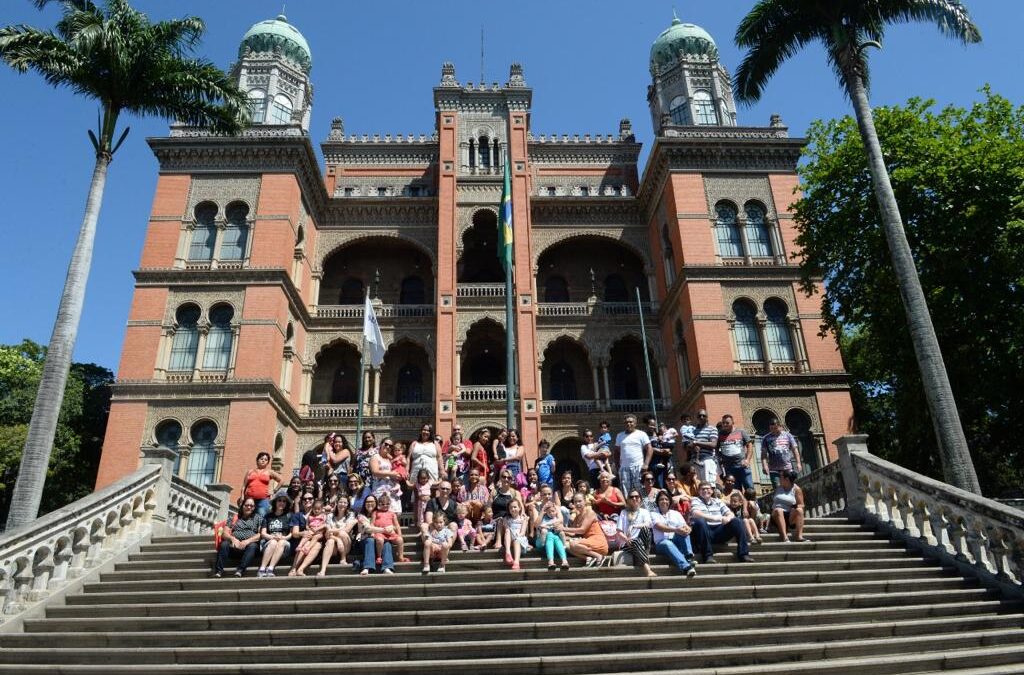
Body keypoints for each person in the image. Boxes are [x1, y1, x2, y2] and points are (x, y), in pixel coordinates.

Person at [689, 481, 754, 564]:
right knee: (700, 521)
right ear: (699, 491)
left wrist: (728, 518)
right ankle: (708, 556)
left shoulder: (718, 501)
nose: (705, 491)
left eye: (708, 489)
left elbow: (730, 513)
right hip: (704, 532)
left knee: (737, 521)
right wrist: (716, 518)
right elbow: (695, 513)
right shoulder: (696, 500)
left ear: (712, 491)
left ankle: (743, 554)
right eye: (703, 489)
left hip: (719, 531)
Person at [213, 498, 262, 578]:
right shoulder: (234, 517)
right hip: (234, 547)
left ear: (254, 507)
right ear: (242, 506)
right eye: (247, 505)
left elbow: (260, 534)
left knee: (253, 546)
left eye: (251, 506)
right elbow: (224, 533)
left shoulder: (258, 518)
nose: (249, 507)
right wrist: (232, 539)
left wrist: (247, 541)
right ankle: (219, 571)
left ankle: (240, 570)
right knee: (224, 544)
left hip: (249, 548)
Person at [652, 490, 696, 577]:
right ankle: (686, 567)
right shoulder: (653, 513)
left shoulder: (676, 514)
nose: (664, 501)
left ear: (670, 501)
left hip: (676, 541)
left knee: (684, 532)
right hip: (661, 543)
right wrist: (676, 530)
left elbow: (684, 526)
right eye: (661, 499)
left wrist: (687, 529)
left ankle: (688, 557)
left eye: (666, 499)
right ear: (657, 502)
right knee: (668, 543)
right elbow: (659, 526)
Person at [618, 490, 657, 577]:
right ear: (628, 500)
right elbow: (619, 531)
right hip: (627, 544)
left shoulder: (644, 512)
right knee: (636, 541)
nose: (634, 498)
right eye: (631, 497)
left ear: (640, 499)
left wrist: (634, 526)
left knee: (646, 529)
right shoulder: (624, 512)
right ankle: (648, 569)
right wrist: (626, 539)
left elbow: (649, 524)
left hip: (642, 542)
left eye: (637, 496)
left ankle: (640, 555)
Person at [563, 493, 608, 566]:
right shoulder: (577, 516)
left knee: (573, 544)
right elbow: (573, 533)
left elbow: (582, 530)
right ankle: (588, 558)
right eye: (575, 502)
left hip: (598, 542)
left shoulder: (590, 512)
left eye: (580, 501)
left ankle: (599, 556)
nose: (577, 504)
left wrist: (564, 528)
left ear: (585, 501)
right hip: (588, 544)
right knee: (566, 546)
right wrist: (561, 532)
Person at [614, 414, 653, 498]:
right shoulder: (619, 435)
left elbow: (649, 448)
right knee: (626, 493)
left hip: (638, 467)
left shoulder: (641, 434)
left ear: (635, 423)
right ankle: (629, 510)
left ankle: (646, 510)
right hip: (624, 469)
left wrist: (646, 464)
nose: (629, 424)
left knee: (642, 491)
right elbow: (616, 451)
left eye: (631, 422)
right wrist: (617, 467)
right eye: (627, 422)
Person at [355, 495, 395, 575]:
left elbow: (392, 525)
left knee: (387, 543)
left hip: (380, 540)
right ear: (364, 504)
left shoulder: (382, 513)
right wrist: (384, 530)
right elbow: (367, 529)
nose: (370, 503)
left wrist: (390, 528)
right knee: (370, 539)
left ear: (376, 503)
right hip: (365, 540)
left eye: (372, 501)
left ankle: (387, 567)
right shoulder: (361, 516)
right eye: (367, 502)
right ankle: (367, 567)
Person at [318, 496, 356, 576]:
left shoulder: (350, 515)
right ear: (336, 503)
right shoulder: (330, 516)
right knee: (330, 541)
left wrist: (332, 530)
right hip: (334, 547)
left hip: (346, 545)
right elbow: (327, 535)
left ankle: (343, 558)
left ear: (348, 505)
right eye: (340, 502)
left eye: (345, 503)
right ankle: (323, 570)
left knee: (342, 534)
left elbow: (346, 530)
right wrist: (337, 540)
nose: (342, 504)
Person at [257, 494, 293, 578]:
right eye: (279, 500)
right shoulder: (268, 516)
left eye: (284, 501)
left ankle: (270, 569)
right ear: (275, 502)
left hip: (284, 546)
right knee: (273, 542)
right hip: (269, 544)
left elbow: (291, 533)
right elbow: (263, 533)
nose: (282, 503)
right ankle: (262, 569)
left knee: (281, 542)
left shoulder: (289, 516)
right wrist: (273, 537)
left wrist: (283, 537)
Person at [289, 498, 327, 576]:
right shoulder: (300, 515)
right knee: (304, 545)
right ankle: (294, 568)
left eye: (310, 499)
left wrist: (318, 529)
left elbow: (325, 524)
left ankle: (301, 569)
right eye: (305, 499)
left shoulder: (323, 515)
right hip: (309, 535)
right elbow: (295, 533)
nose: (307, 500)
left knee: (316, 545)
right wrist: (303, 532)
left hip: (319, 538)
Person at [761, 418, 803, 487]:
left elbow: (795, 450)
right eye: (771, 429)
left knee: (791, 488)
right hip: (774, 470)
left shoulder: (788, 435)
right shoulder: (766, 438)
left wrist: (798, 463)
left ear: (780, 426)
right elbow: (763, 455)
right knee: (778, 489)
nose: (773, 431)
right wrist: (764, 466)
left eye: (775, 428)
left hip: (787, 468)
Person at [717, 414, 754, 491]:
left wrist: (747, 460)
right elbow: (716, 448)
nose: (725, 425)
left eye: (727, 423)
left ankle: (753, 503)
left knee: (749, 488)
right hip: (729, 468)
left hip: (742, 466)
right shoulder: (720, 434)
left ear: (733, 422)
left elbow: (749, 445)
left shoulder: (741, 432)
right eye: (723, 423)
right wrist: (720, 458)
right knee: (735, 491)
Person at [771, 470, 809, 542]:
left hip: (789, 515)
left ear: (786, 479)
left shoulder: (796, 489)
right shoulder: (778, 488)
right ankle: (784, 537)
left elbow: (801, 504)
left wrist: (794, 508)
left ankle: (799, 536)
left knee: (800, 510)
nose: (779, 478)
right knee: (779, 510)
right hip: (776, 514)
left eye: (781, 477)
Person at [533, 498, 570, 571]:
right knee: (550, 535)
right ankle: (563, 560)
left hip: (554, 543)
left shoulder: (556, 512)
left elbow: (560, 520)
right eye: (544, 494)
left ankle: (556, 561)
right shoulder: (539, 510)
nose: (547, 497)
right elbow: (536, 525)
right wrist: (543, 511)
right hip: (541, 542)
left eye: (549, 494)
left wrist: (556, 508)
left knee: (555, 537)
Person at [243, 451, 283, 517]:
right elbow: (244, 486)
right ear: (257, 460)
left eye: (266, 460)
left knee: (262, 517)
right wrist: (242, 497)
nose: (263, 461)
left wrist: (274, 491)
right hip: (249, 499)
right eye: (261, 459)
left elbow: (281, 480)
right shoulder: (250, 471)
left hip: (263, 500)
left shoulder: (269, 472)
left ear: (267, 462)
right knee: (248, 517)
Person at [369, 440, 403, 513]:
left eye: (390, 446)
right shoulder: (375, 457)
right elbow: (375, 472)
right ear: (381, 444)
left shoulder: (390, 459)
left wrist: (399, 475)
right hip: (380, 488)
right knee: (380, 512)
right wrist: (390, 474)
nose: (388, 447)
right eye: (386, 444)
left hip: (392, 489)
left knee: (394, 512)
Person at [372, 492, 405, 563]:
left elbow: (397, 525)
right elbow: (372, 524)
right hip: (380, 532)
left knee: (400, 540)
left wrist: (400, 534)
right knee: (380, 540)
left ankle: (400, 556)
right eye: (383, 504)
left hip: (390, 533)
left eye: (387, 504)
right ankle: (379, 556)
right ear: (379, 504)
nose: (385, 506)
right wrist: (372, 532)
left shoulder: (392, 513)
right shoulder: (375, 513)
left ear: (390, 504)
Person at [691, 410, 720, 484]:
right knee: (698, 486)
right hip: (695, 461)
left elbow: (713, 444)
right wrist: (692, 445)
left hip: (707, 460)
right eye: (699, 416)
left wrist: (697, 443)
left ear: (707, 417)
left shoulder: (712, 429)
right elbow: (687, 445)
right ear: (697, 418)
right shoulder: (693, 431)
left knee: (709, 485)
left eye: (704, 416)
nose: (701, 417)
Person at [500, 499, 529, 570]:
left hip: (520, 540)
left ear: (519, 508)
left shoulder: (523, 519)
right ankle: (508, 553)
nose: (513, 509)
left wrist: (517, 537)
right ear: (509, 510)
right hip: (509, 541)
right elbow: (506, 528)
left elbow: (522, 532)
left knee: (516, 540)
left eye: (515, 507)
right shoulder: (507, 519)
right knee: (507, 530)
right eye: (511, 508)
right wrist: (504, 521)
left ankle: (516, 562)